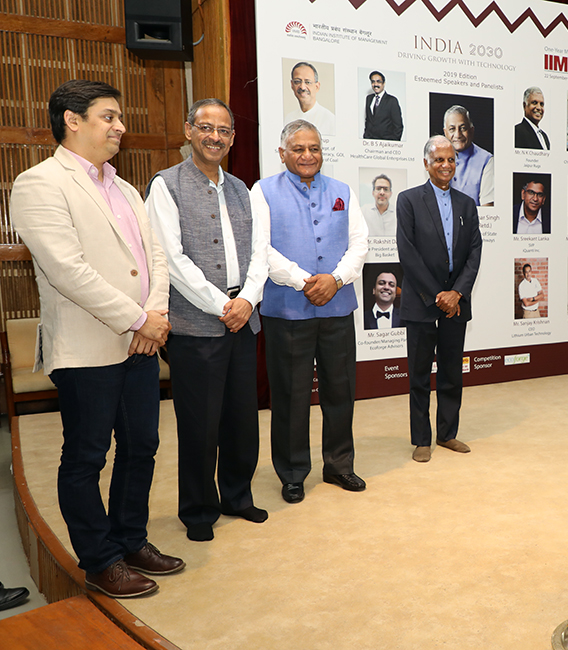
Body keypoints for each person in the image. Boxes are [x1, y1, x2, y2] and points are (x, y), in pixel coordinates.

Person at [10, 80, 184, 598]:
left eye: (119, 118)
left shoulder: (126, 187)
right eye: (109, 117)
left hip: (140, 341)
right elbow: (69, 271)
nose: (120, 127)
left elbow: (155, 258)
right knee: (87, 456)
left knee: (142, 447)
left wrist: (154, 315)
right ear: (72, 119)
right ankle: (100, 558)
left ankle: (131, 539)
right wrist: (138, 319)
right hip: (87, 348)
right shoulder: (39, 183)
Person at [146, 98, 269, 542]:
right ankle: (198, 509)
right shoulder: (166, 185)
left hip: (244, 318)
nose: (214, 136)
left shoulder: (243, 189)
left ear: (233, 138)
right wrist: (223, 306)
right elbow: (171, 258)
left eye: (223, 130)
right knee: (200, 422)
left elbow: (260, 254)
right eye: (205, 128)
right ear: (188, 130)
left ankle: (238, 496)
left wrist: (249, 301)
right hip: (198, 325)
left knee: (241, 417)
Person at [250, 119, 369, 504]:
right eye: (298, 149)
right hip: (286, 310)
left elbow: (359, 244)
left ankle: (339, 465)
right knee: (290, 395)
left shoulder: (343, 191)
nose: (307, 155)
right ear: (282, 153)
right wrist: (304, 281)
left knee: (341, 391)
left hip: (336, 308)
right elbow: (262, 249)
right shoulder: (263, 191)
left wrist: (335, 279)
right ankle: (292, 472)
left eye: (314, 148)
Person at [396, 136, 482, 463]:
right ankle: (421, 439)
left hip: (456, 303)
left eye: (450, 160)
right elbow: (408, 254)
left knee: (451, 372)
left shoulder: (466, 204)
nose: (446, 165)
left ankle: (448, 434)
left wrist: (456, 293)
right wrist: (437, 296)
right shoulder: (408, 200)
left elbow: (474, 251)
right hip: (422, 302)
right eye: (439, 160)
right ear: (426, 163)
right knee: (419, 375)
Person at [443, 105, 494, 206]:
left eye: (463, 128)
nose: (458, 135)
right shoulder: (435, 158)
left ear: (471, 130)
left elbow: (487, 208)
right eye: (452, 129)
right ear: (445, 132)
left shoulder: (487, 160)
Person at [283, 62, 336, 136]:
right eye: (297, 81)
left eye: (308, 82)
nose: (302, 87)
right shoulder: (288, 119)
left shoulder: (330, 120)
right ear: (292, 85)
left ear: (317, 86)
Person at [363, 70, 403, 141]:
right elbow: (368, 120)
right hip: (370, 143)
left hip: (386, 144)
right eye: (373, 82)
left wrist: (393, 143)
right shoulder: (369, 98)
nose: (375, 84)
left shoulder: (392, 100)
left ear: (383, 83)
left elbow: (398, 126)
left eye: (378, 81)